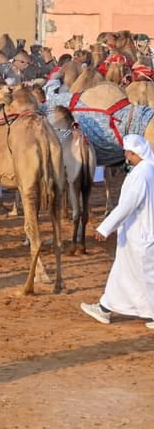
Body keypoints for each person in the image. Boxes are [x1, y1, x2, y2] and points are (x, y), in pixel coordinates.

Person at [80, 134, 154, 330]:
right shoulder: (148, 171)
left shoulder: (141, 174)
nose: (127, 157)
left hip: (141, 235)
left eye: (129, 153)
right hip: (137, 234)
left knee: (146, 276)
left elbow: (127, 205)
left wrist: (105, 227)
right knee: (122, 273)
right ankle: (105, 308)